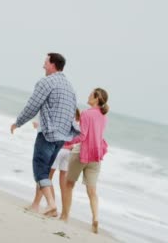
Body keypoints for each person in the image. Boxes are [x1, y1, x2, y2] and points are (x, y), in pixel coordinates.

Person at [10, 53, 79, 217]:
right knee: (46, 170)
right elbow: (72, 113)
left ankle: (51, 204)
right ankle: (42, 205)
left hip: (48, 134)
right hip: (63, 137)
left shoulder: (46, 82)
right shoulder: (70, 87)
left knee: (40, 169)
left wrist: (18, 122)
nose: (43, 66)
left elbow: (32, 106)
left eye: (45, 63)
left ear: (53, 64)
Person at [60, 88, 110, 234]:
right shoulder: (103, 116)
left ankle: (65, 216)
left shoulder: (86, 113)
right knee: (92, 190)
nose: (88, 95)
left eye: (91, 94)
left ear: (96, 98)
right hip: (97, 156)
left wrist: (66, 142)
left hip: (82, 153)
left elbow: (82, 136)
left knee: (69, 184)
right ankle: (95, 218)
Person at [29, 109, 80, 215]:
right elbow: (78, 137)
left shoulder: (63, 119)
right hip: (69, 153)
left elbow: (53, 132)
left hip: (59, 150)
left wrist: (38, 126)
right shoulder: (76, 123)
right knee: (64, 184)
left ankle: (39, 204)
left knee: (46, 177)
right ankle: (65, 214)